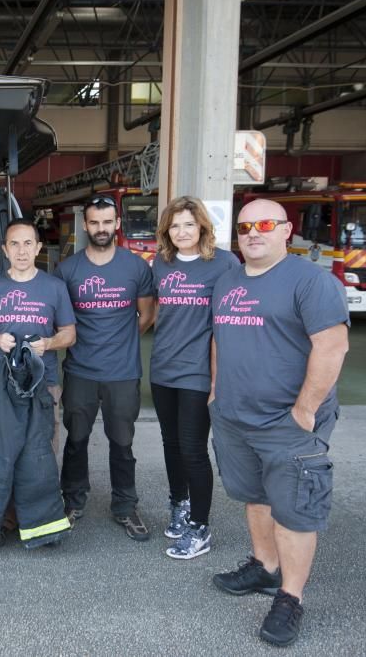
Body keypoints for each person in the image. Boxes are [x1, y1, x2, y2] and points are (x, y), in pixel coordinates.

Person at [209, 199, 348, 647]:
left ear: (286, 230)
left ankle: (290, 595)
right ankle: (265, 567)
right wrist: (216, 391)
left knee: (294, 511)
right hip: (234, 416)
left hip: (286, 422)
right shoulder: (228, 281)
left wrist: (305, 409)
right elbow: (220, 337)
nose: (253, 233)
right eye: (245, 226)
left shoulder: (310, 281)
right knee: (254, 496)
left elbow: (331, 346)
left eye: (265, 224)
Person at [0, 218, 75, 547]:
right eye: (15, 244)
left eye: (28, 243)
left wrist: (48, 344)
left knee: (39, 450)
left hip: (44, 382)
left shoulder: (54, 287)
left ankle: (37, 523)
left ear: (39, 248)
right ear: (5, 249)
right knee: (0, 450)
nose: (22, 250)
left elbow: (69, 333)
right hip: (0, 381)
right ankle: (4, 519)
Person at [55, 195, 156, 541]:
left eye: (107, 222)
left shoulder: (136, 267)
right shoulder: (68, 270)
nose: (101, 228)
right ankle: (72, 501)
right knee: (76, 440)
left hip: (123, 373)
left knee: (122, 443)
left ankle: (125, 507)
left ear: (117, 224)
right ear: (86, 225)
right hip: (80, 370)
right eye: (94, 222)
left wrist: (120, 341)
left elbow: (146, 315)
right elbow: (60, 320)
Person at [150, 197, 239, 559]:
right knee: (171, 444)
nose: (182, 231)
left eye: (188, 224)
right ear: (166, 231)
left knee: (193, 449)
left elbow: (230, 321)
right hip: (162, 368)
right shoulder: (161, 262)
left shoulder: (224, 263)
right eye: (175, 225)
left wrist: (220, 379)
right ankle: (179, 505)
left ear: (201, 225)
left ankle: (200, 528)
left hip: (197, 371)